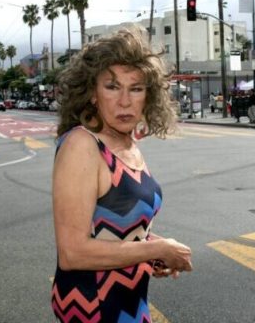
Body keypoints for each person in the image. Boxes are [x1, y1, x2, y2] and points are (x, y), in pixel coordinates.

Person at [50, 30, 192, 322]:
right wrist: (156, 248)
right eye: (112, 87)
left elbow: (119, 229)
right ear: (92, 93)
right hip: (96, 309)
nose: (125, 101)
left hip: (130, 303)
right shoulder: (83, 145)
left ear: (148, 96)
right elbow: (72, 253)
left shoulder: (128, 146)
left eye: (136, 88)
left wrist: (156, 252)